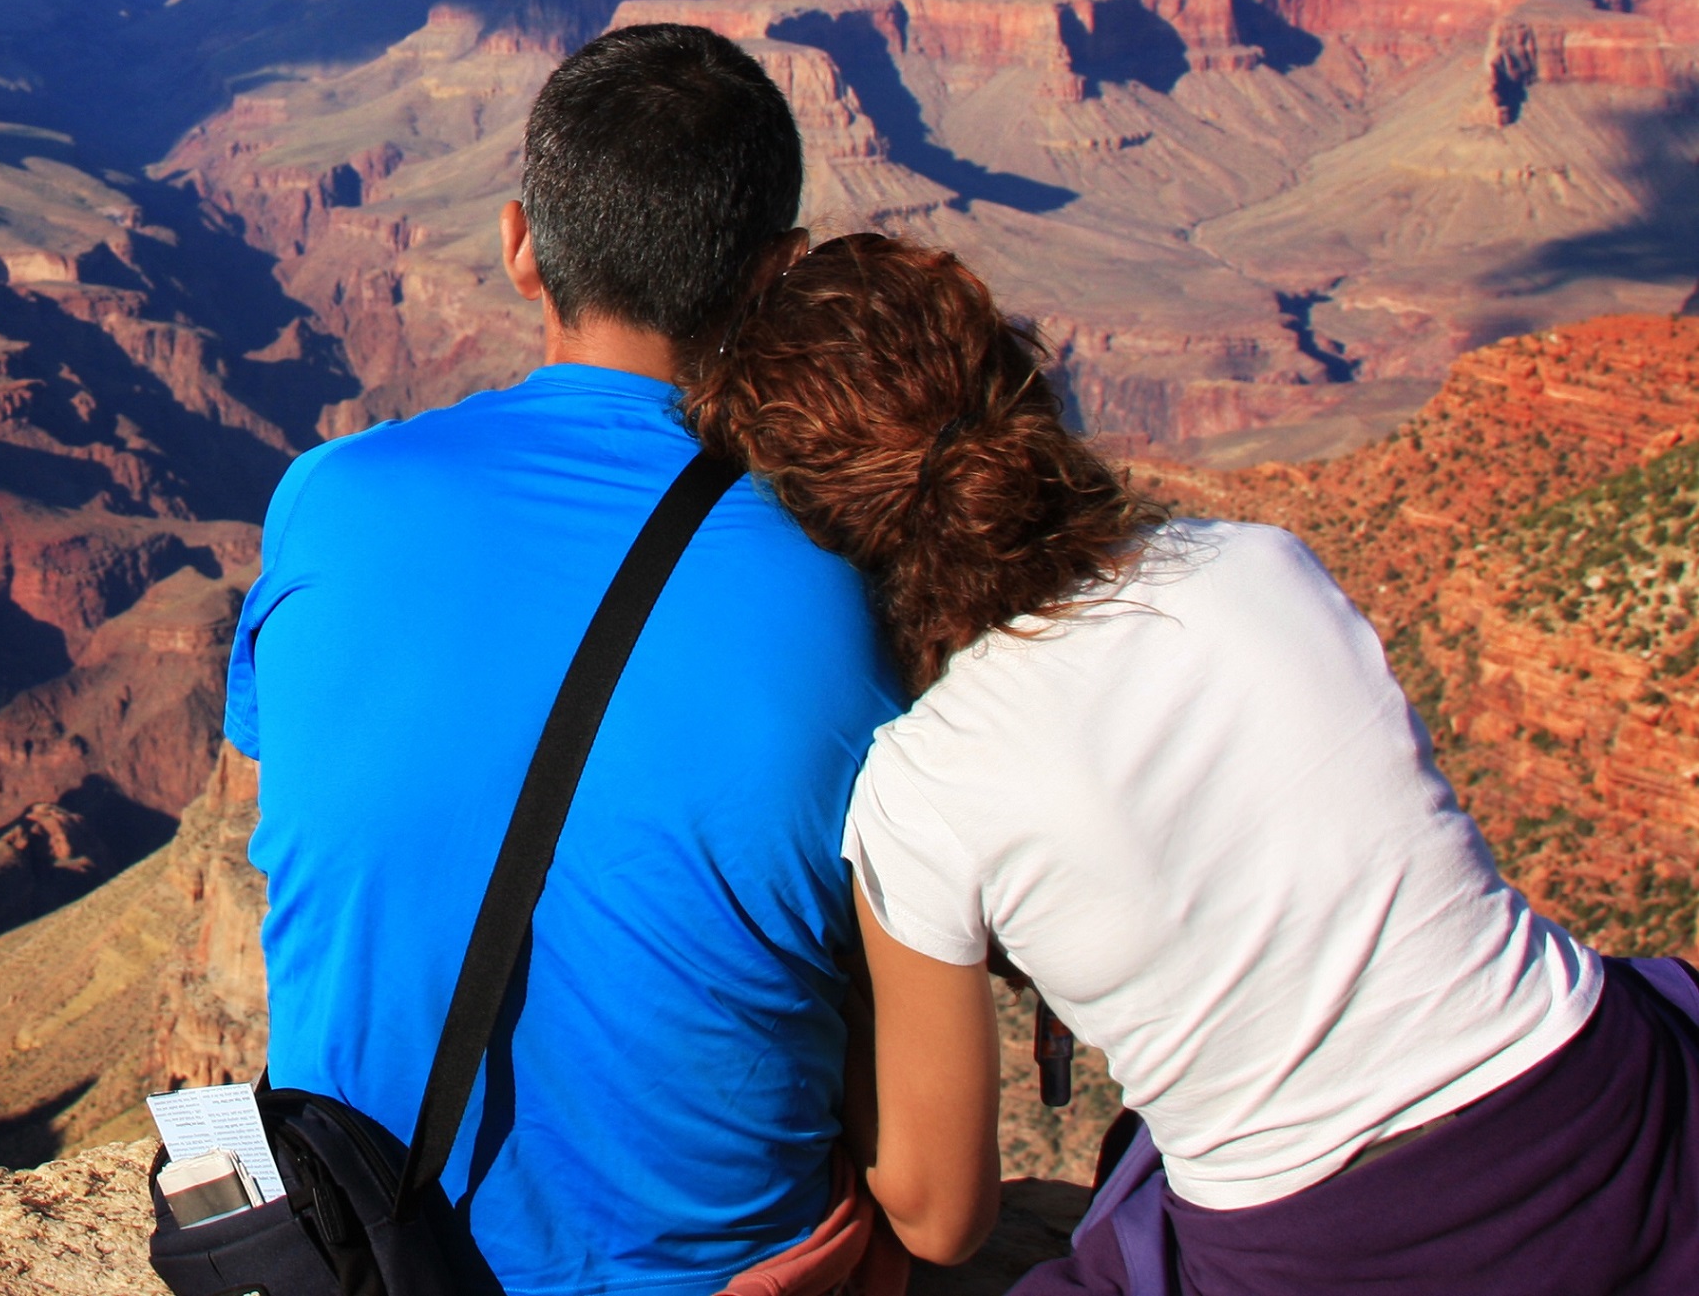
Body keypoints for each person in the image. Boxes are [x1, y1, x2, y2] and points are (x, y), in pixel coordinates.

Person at [689, 231, 1699, 1295]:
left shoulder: (924, 790)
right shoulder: (1260, 565)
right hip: (1620, 1114)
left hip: (1330, 1251)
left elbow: (941, 1219)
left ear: (820, 530)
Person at [224, 23, 907, 1296]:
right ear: (779, 275)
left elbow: (334, 786)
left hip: (366, 1253)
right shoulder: (853, 581)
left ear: (519, 243)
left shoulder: (328, 497)